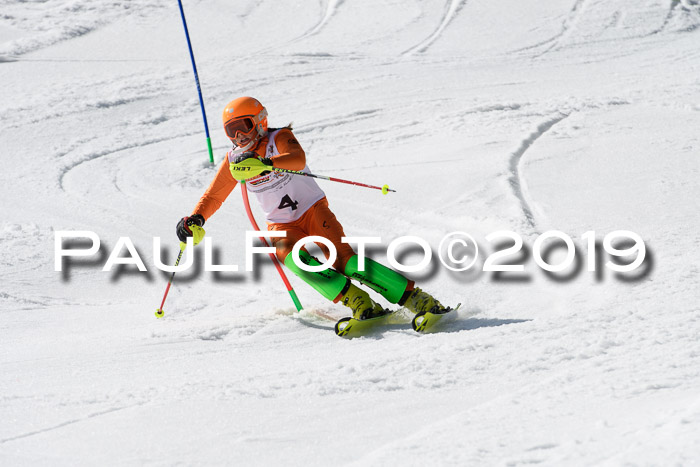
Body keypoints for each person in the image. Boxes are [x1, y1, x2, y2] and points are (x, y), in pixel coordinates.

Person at [176, 96, 446, 319]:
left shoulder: (279, 137)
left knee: (345, 261)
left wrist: (267, 164)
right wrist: (196, 218)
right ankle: (359, 302)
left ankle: (416, 299)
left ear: (260, 121)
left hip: (312, 210)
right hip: (282, 224)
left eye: (243, 126)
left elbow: (297, 159)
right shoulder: (234, 160)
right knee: (292, 259)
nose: (238, 136)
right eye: (230, 130)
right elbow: (215, 194)